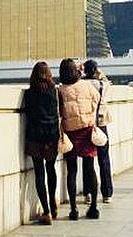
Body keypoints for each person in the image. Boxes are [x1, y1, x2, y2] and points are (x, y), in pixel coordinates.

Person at [58, 58, 101, 220]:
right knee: (90, 169)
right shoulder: (87, 85)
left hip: (70, 132)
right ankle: (94, 207)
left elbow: (60, 112)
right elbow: (97, 99)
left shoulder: (61, 90)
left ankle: (74, 209)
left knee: (72, 171)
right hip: (87, 130)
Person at [22, 61, 59, 225]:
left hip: (35, 137)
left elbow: (29, 113)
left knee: (39, 173)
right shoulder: (53, 91)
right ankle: (53, 203)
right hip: (52, 135)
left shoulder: (29, 94)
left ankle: (46, 211)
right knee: (51, 169)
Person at [82, 59, 114, 204]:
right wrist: (100, 74)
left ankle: (88, 192)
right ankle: (107, 193)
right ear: (96, 70)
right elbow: (107, 81)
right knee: (104, 158)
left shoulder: (82, 85)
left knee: (87, 159)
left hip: (87, 124)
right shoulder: (103, 84)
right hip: (101, 124)